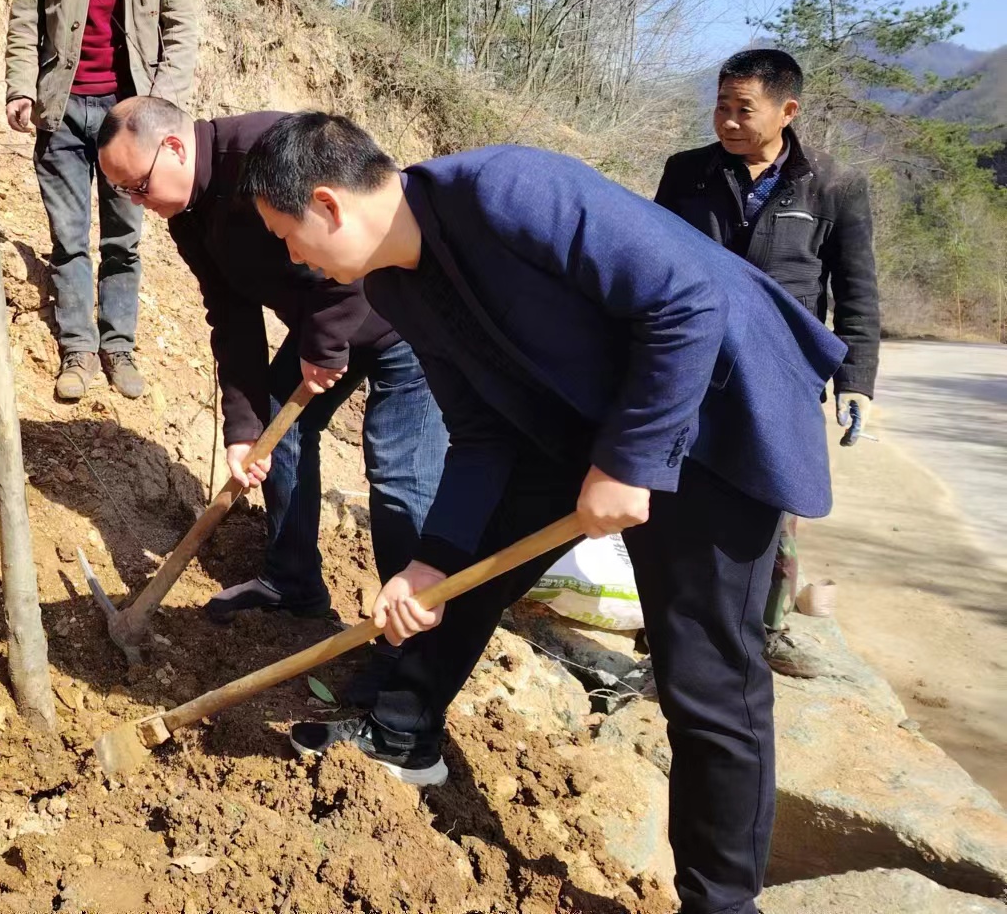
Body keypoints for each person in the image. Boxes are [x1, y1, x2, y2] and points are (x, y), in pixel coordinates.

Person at [239, 114, 845, 914]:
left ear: (328, 203)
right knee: (456, 568)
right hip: (581, 426)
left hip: (713, 418)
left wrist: (630, 458)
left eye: (289, 235)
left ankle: (722, 902)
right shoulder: (395, 286)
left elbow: (687, 299)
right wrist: (431, 561)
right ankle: (402, 732)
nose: (294, 258)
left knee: (705, 678)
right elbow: (484, 429)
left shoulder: (508, 189)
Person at [95, 97, 446, 704]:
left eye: (139, 186)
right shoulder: (190, 216)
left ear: (174, 148)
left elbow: (361, 246)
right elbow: (230, 316)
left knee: (398, 477)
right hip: (324, 332)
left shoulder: (272, 151)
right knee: (273, 440)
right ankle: (293, 583)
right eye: (127, 194)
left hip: (401, 322)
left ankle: (407, 656)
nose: (140, 204)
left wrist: (326, 345)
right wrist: (241, 425)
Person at [655, 47, 880, 678]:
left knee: (772, 497)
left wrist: (855, 380)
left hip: (782, 372)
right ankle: (674, 626)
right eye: (721, 106)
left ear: (787, 110)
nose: (726, 121)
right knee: (682, 488)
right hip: (695, 359)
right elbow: (652, 262)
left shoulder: (833, 185)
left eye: (742, 109)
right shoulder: (687, 173)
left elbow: (857, 289)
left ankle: (764, 628)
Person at [4, 0, 199, 402]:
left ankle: (118, 345)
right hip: (61, 104)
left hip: (130, 115)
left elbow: (181, 29)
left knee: (123, 240)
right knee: (68, 237)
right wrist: (21, 86)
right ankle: (78, 348)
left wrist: (160, 107)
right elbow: (24, 15)